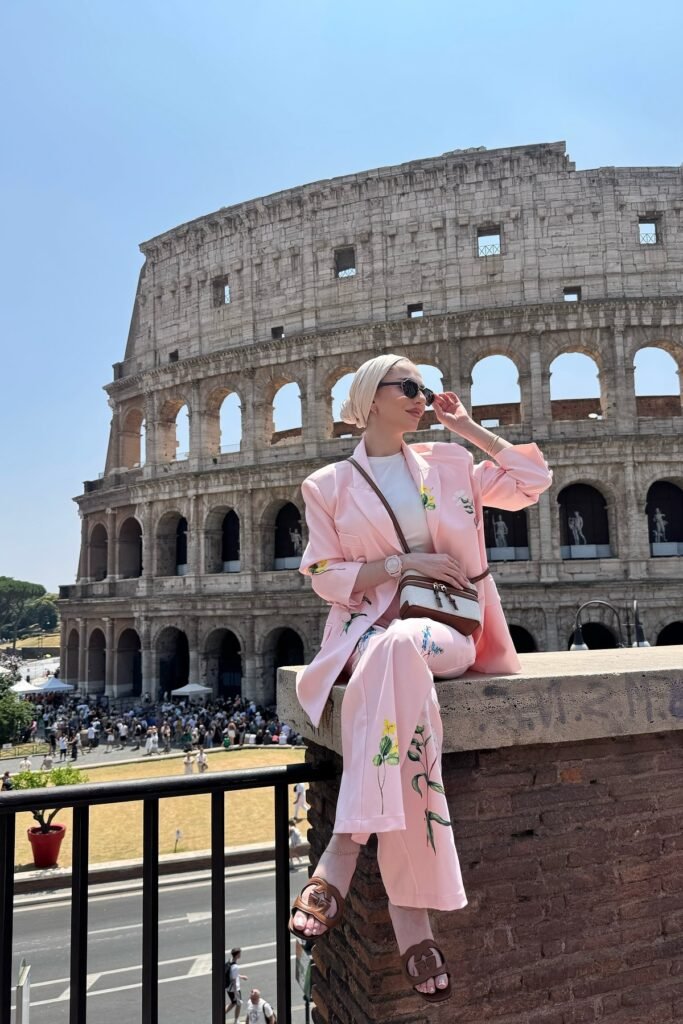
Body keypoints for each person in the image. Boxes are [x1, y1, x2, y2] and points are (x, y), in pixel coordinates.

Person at [289, 353, 552, 1003]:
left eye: (424, 388)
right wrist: (404, 564)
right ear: (368, 397)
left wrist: (466, 427)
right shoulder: (327, 485)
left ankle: (344, 848)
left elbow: (529, 480)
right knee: (392, 655)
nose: (421, 396)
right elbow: (323, 574)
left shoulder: (449, 463)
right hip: (367, 634)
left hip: (450, 633)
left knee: (400, 646)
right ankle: (413, 919)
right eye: (407, 386)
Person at [225, 946, 248, 1022]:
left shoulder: (229, 961)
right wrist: (236, 993)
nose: (240, 955)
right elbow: (234, 980)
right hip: (234, 989)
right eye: (240, 953)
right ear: (237, 954)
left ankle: (222, 1014)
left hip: (228, 988)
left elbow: (232, 975)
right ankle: (236, 1020)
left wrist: (241, 976)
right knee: (238, 1003)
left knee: (234, 1003)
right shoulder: (235, 966)